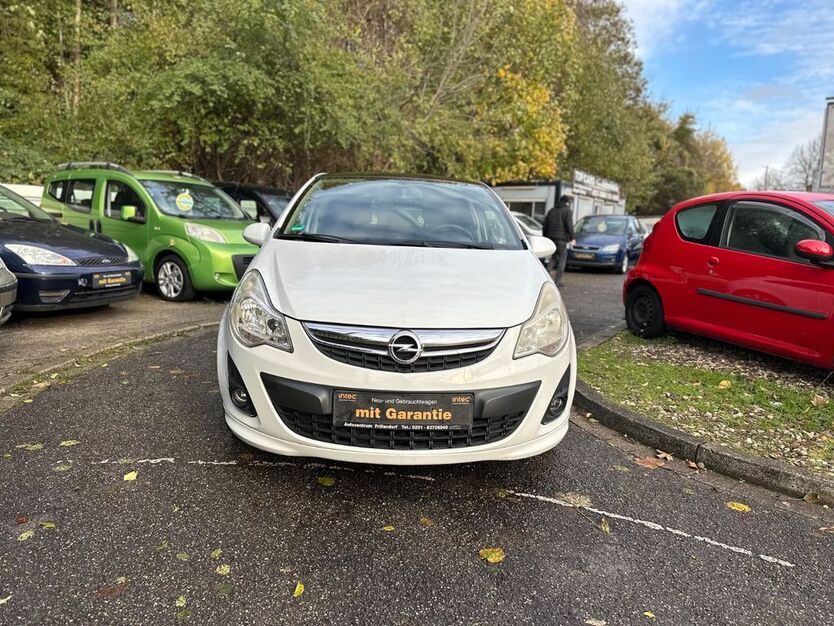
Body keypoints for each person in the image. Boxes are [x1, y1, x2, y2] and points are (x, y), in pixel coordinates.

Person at [543, 195, 575, 286]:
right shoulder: (567, 211)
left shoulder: (552, 210)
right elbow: (569, 225)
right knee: (562, 258)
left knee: (554, 257)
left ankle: (545, 276)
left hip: (551, 238)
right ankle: (558, 281)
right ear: (567, 202)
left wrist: (545, 237)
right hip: (561, 239)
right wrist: (572, 237)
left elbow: (545, 225)